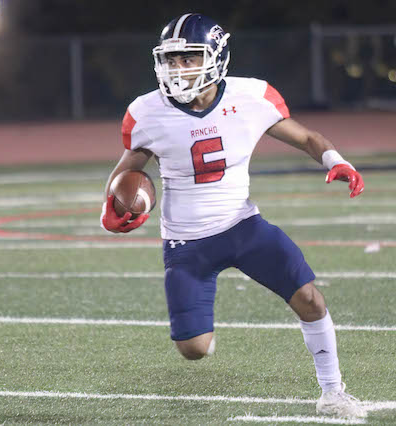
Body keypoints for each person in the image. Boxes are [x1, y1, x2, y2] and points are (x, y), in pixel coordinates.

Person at [100, 13, 366, 418]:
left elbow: (307, 136)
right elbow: (125, 172)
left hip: (242, 226)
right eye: (170, 59)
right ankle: (201, 335)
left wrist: (336, 160)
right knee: (194, 350)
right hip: (186, 243)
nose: (177, 69)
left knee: (309, 297)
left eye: (188, 58)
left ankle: (333, 392)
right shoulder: (148, 111)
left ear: (216, 56)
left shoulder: (251, 97)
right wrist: (113, 206)